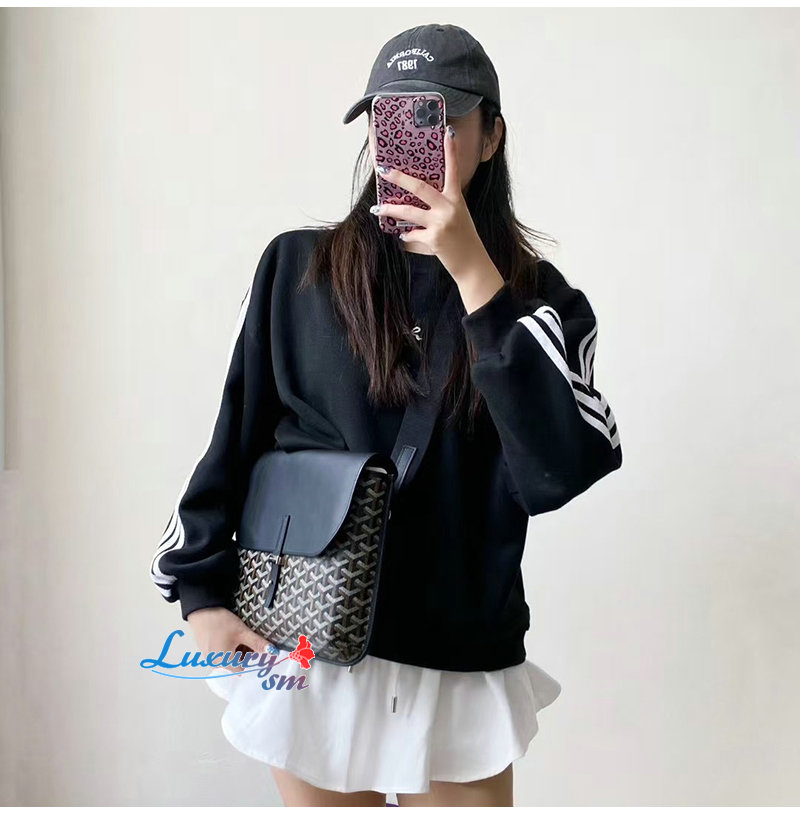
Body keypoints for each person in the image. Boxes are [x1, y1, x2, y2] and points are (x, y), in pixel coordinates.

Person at [148, 23, 623, 807]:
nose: (406, 143)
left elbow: (561, 468)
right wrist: (198, 595)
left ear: (491, 136)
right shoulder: (298, 270)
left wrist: (476, 278)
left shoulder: (539, 301)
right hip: (308, 639)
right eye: (389, 118)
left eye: (437, 119)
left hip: (459, 657)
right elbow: (232, 437)